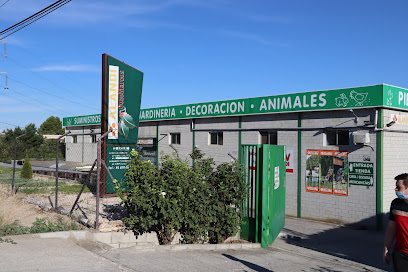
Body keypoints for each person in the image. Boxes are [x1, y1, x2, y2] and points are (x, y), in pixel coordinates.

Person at [383, 173, 408, 271]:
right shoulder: (396, 204)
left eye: (399, 187)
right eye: (396, 186)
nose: (396, 189)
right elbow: (391, 228)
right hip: (400, 253)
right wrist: (386, 248)